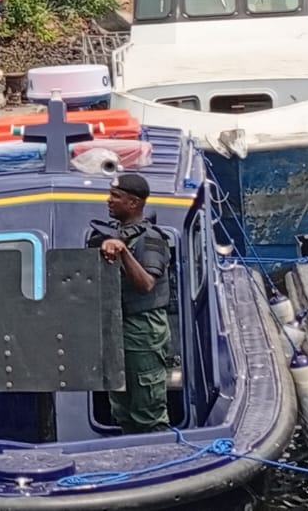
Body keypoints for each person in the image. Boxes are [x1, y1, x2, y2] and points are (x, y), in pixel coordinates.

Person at [88, 173, 172, 434]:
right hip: (118, 327)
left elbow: (146, 284)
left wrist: (123, 252)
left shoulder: (151, 239)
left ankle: (159, 460)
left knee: (147, 406)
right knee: (122, 406)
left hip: (142, 329)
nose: (108, 200)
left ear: (134, 203)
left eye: (115, 196)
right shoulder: (118, 234)